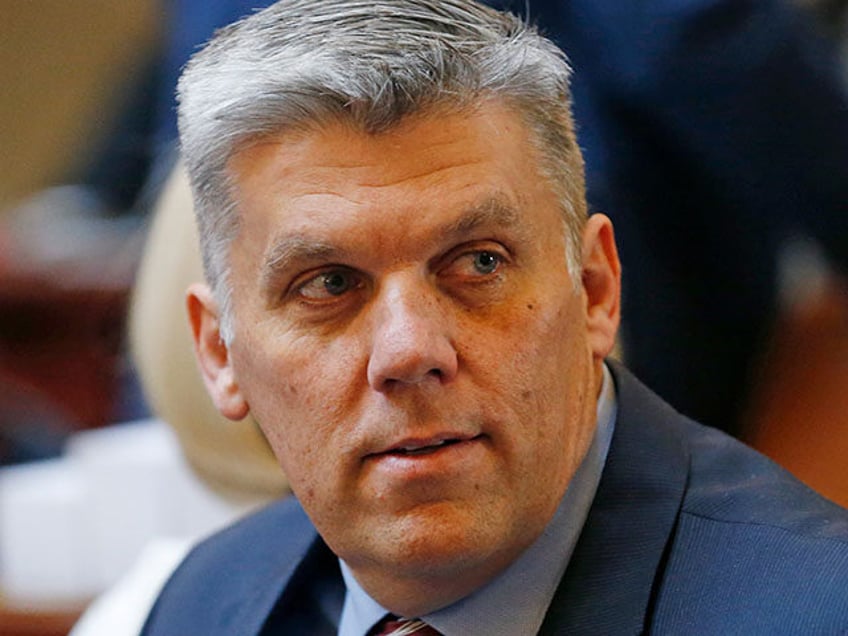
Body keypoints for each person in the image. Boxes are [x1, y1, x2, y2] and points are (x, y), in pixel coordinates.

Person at [142, 1, 848, 634]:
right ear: (219, 352)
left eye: (478, 263)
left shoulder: (817, 610)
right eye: (328, 284)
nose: (409, 350)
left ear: (597, 289)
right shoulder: (198, 606)